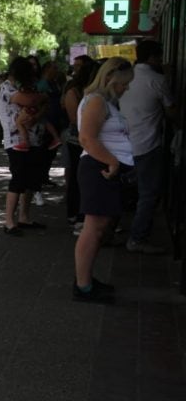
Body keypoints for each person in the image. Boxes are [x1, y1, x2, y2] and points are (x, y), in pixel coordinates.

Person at [73, 57, 135, 304]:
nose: (126, 88)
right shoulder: (97, 101)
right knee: (93, 229)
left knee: (98, 230)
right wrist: (113, 162)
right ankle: (83, 285)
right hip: (99, 169)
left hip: (103, 167)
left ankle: (85, 280)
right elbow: (87, 138)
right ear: (110, 79)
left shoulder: (102, 102)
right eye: (123, 84)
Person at [120, 40, 177, 254]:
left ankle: (111, 229)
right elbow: (172, 111)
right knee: (149, 193)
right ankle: (137, 238)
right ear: (153, 57)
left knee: (126, 187)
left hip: (125, 143)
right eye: (160, 56)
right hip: (148, 144)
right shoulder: (157, 80)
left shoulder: (126, 77)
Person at [0, 56, 47, 235]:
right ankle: (9, 221)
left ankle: (24, 216)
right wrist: (42, 97)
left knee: (30, 180)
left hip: (33, 138)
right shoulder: (6, 88)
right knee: (18, 180)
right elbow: (31, 101)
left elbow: (39, 103)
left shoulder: (23, 87)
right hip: (15, 140)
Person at [61, 56, 97, 233]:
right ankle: (74, 214)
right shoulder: (73, 91)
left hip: (88, 138)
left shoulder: (89, 92)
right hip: (77, 140)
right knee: (76, 177)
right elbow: (74, 119)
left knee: (83, 178)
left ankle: (82, 214)